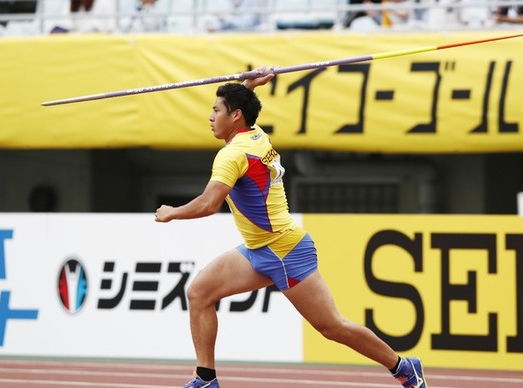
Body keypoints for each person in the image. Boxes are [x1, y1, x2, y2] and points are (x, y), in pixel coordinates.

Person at [154, 67, 428, 388]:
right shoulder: (255, 134)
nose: (211, 117)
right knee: (200, 292)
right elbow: (245, 111)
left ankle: (403, 366)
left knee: (331, 327)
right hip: (260, 249)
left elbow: (208, 204)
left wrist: (173, 212)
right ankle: (205, 378)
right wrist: (248, 86)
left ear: (236, 116)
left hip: (285, 250)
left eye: (216, 110)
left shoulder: (232, 155)